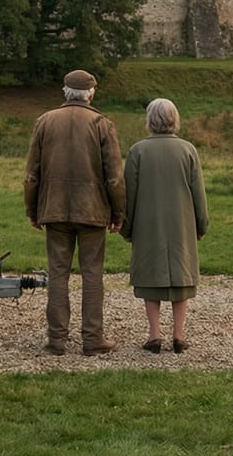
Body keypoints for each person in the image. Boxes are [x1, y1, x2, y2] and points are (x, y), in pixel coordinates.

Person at [23, 69, 126, 356]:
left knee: (58, 274)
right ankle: (93, 339)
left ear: (65, 92)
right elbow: (114, 177)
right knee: (92, 275)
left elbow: (32, 174)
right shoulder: (101, 124)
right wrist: (119, 213)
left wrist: (32, 209)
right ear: (91, 93)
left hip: (53, 209)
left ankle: (56, 340)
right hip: (92, 210)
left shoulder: (45, 121)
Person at [122, 98, 208, 354]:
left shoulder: (137, 151)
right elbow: (198, 193)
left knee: (151, 278)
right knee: (181, 278)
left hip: (148, 224)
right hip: (182, 224)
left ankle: (154, 335)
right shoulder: (188, 150)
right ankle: (179, 335)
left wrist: (127, 228)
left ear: (150, 120)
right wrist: (201, 224)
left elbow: (130, 194)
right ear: (175, 119)